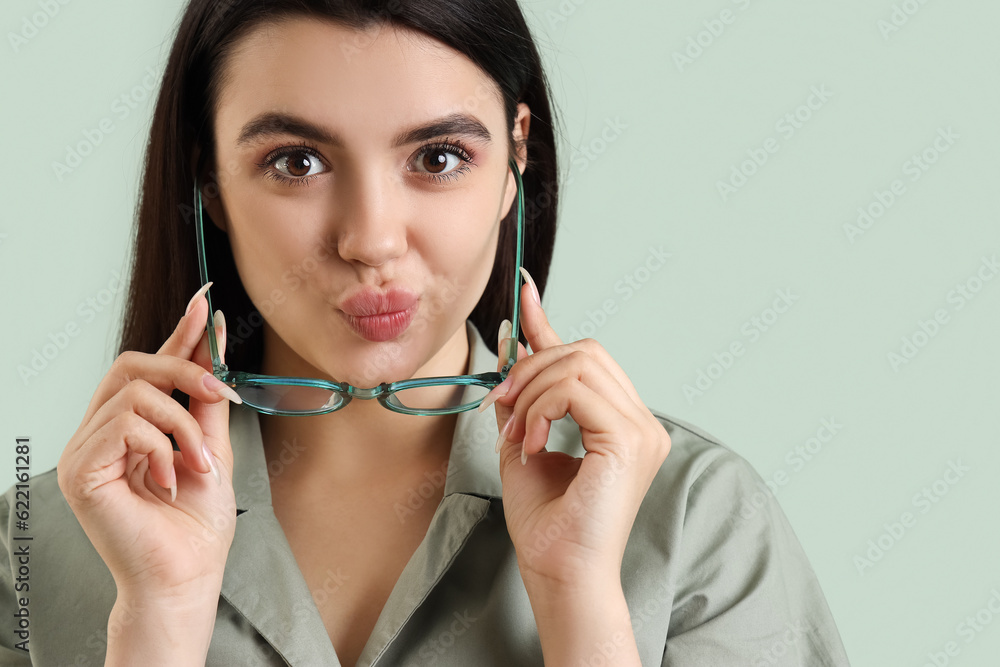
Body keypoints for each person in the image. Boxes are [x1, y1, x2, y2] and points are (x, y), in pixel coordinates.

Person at [0, 0, 852, 665]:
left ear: (518, 154)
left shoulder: (699, 520)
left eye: (438, 156)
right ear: (208, 178)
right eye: (297, 161)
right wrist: (159, 621)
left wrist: (580, 601)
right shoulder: (34, 548)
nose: (370, 238)